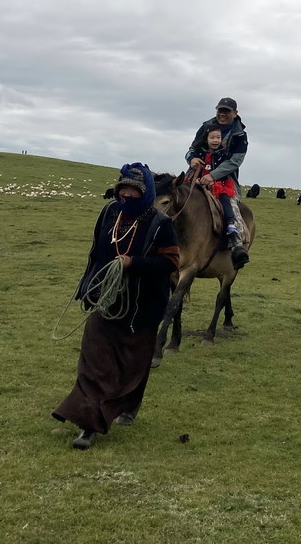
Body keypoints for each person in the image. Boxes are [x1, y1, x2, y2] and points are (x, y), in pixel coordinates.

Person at [52, 163, 180, 450]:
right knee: (94, 360)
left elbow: (171, 263)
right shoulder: (109, 213)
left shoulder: (161, 224)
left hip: (142, 308)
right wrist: (88, 286)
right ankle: (88, 424)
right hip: (107, 302)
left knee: (133, 366)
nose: (127, 196)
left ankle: (128, 406)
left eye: (134, 192)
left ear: (145, 194)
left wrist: (133, 263)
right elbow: (96, 252)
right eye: (123, 190)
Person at [186, 97, 249, 267]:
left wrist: (213, 176)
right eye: (220, 110)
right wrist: (191, 160)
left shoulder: (239, 135)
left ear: (235, 114)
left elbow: (235, 161)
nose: (222, 114)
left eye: (226, 111)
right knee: (178, 197)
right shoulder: (207, 126)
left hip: (225, 180)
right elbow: (192, 149)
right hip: (197, 174)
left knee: (231, 204)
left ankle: (237, 246)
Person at [187, 126, 239, 235]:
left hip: (218, 184)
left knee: (224, 199)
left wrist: (214, 179)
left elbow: (224, 170)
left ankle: (230, 223)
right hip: (199, 183)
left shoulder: (224, 154)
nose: (216, 140)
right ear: (207, 139)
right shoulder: (199, 152)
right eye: (212, 137)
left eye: (218, 137)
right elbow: (193, 166)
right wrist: (195, 179)